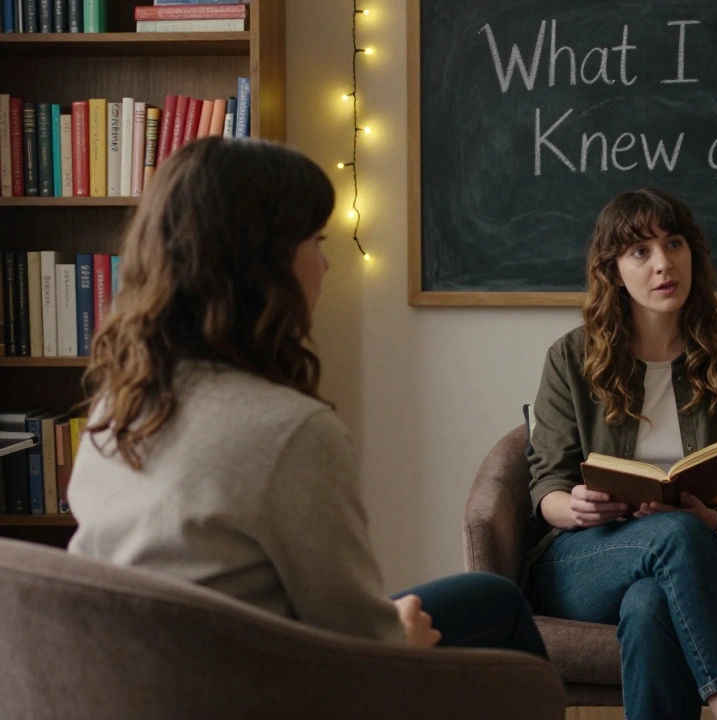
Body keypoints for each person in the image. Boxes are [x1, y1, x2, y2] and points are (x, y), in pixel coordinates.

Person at [67, 137, 546, 657]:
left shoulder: (119, 405)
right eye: (316, 242)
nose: (327, 265)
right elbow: (360, 644)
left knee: (488, 598)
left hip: (146, 673)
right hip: (266, 687)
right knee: (498, 605)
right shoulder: (289, 431)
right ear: (262, 265)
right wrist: (399, 636)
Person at [526, 187, 717, 720]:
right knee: (675, 536)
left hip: (713, 551)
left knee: (650, 605)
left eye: (675, 243)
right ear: (615, 271)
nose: (664, 264)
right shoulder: (571, 357)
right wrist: (575, 507)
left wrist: (715, 518)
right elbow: (545, 483)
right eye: (640, 251)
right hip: (590, 555)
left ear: (693, 253)